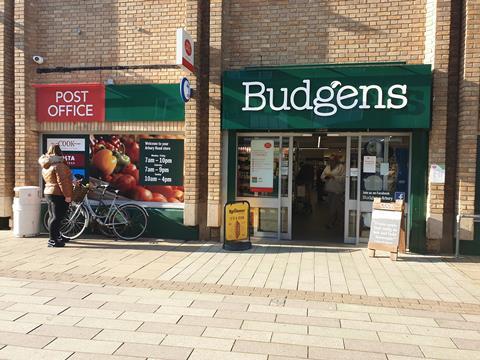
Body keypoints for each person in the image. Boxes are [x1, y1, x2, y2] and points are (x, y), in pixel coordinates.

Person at [38, 144, 73, 247]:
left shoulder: (46, 165)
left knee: (53, 216)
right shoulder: (59, 165)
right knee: (57, 217)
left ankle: (57, 236)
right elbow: (63, 182)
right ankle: (52, 240)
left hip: (49, 192)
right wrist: (67, 195)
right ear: (60, 152)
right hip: (58, 193)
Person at [321, 154, 345, 229]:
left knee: (333, 207)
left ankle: (331, 223)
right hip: (329, 190)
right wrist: (326, 177)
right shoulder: (327, 167)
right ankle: (341, 222)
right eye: (330, 160)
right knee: (338, 207)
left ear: (336, 160)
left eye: (333, 160)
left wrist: (333, 177)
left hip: (337, 191)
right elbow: (322, 177)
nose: (331, 161)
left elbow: (343, 179)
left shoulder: (341, 167)